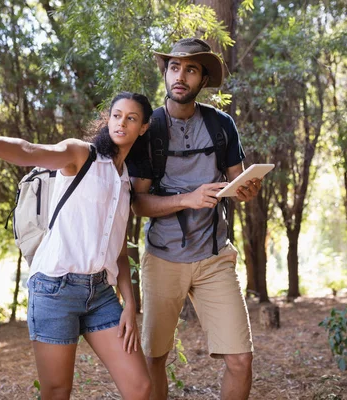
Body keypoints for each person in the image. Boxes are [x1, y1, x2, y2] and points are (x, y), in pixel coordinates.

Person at [0, 92, 153, 400]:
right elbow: (27, 150)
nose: (121, 122)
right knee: (57, 391)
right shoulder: (79, 154)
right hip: (55, 289)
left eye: (131, 118)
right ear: (107, 119)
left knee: (140, 387)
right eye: (116, 115)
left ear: (143, 128)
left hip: (100, 294)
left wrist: (130, 304)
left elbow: (120, 251)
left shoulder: (124, 180)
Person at [125, 38, 261, 400]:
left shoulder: (221, 125)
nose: (181, 76)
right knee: (154, 357)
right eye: (174, 67)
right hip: (162, 257)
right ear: (166, 73)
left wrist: (247, 190)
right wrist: (188, 198)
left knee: (241, 360)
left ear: (202, 80)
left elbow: (238, 181)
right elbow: (137, 204)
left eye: (191, 69)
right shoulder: (147, 127)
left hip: (214, 256)